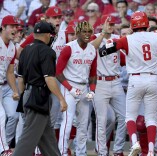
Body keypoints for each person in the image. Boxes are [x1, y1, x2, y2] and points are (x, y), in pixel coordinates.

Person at [99, 11, 157, 156]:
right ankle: (151, 150)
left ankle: (134, 143)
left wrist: (109, 43)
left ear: (133, 25)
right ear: (146, 24)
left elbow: (104, 51)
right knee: (151, 118)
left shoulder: (127, 39)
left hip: (135, 78)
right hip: (153, 78)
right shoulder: (156, 36)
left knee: (129, 116)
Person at [13, 21, 67, 156]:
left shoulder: (25, 51)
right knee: (29, 137)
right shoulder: (48, 51)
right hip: (38, 96)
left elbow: (21, 78)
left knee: (47, 138)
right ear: (48, 35)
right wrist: (61, 99)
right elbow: (49, 78)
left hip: (28, 94)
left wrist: (23, 96)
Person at [56, 20, 107, 156]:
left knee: (84, 125)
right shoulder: (68, 48)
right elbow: (58, 72)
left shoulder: (92, 49)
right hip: (69, 86)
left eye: (89, 32)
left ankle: (81, 153)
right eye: (84, 31)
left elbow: (93, 74)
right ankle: (62, 152)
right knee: (67, 123)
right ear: (77, 33)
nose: (87, 34)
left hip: (84, 88)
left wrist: (92, 90)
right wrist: (70, 89)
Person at [92, 15, 127, 156]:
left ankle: (118, 150)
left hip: (116, 82)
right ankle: (101, 151)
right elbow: (90, 48)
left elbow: (124, 57)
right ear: (102, 24)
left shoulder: (117, 38)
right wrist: (103, 33)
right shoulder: (95, 36)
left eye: (112, 24)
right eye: (108, 23)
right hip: (100, 82)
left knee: (125, 117)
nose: (111, 26)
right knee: (104, 119)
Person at [0, 15, 21, 156]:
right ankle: (3, 149)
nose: (15, 29)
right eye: (11, 26)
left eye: (16, 26)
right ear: (3, 27)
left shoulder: (13, 47)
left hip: (6, 85)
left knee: (14, 115)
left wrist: (15, 90)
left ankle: (4, 143)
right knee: (1, 116)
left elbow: (10, 71)